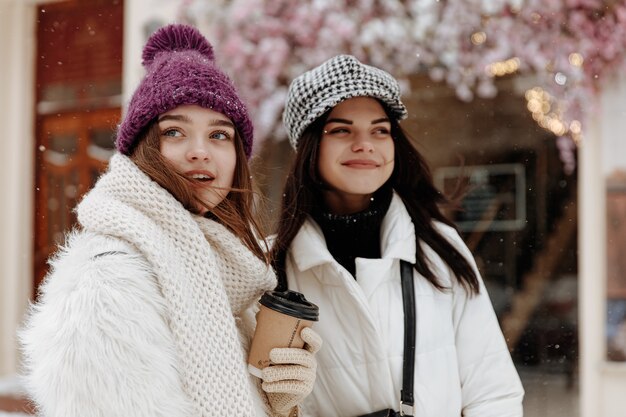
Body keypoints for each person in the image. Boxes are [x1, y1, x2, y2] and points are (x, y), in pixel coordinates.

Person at [20, 24, 320, 417]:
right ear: (144, 148)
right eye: (175, 131)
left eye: (219, 135)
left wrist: (278, 403)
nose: (200, 151)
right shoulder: (108, 281)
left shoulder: (221, 272)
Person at [271, 55, 524, 417]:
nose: (365, 144)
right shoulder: (272, 266)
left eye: (380, 130)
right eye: (341, 130)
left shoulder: (439, 249)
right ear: (310, 146)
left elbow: (492, 393)